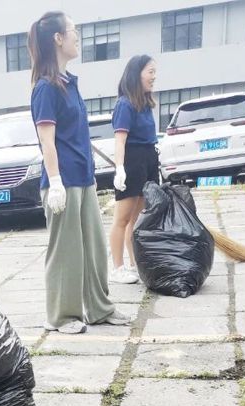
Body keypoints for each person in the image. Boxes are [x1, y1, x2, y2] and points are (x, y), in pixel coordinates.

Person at [28, 12, 130, 334]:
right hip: (63, 182)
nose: (77, 37)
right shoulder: (46, 88)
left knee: (95, 250)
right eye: (73, 31)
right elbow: (47, 140)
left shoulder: (68, 83)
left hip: (83, 179)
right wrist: (55, 181)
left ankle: (98, 308)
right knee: (66, 253)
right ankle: (61, 316)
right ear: (58, 39)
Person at [108, 54, 159, 284]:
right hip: (132, 163)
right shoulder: (124, 104)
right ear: (136, 74)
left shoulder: (145, 104)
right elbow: (120, 140)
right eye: (150, 71)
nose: (153, 77)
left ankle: (134, 263)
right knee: (122, 218)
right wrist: (120, 168)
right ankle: (117, 268)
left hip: (148, 161)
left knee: (137, 220)